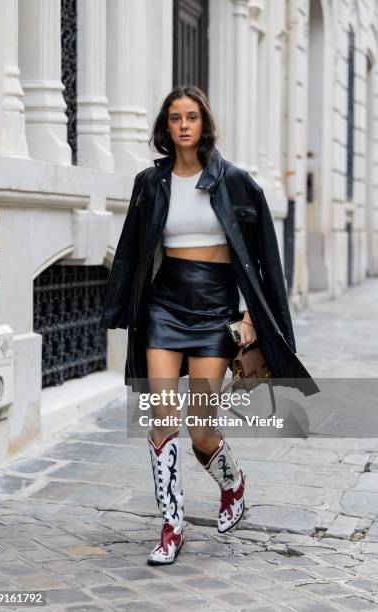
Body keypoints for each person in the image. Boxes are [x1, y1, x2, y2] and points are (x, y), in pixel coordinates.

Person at [100, 86, 319, 566]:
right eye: (175, 117)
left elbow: (263, 259)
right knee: (162, 418)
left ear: (204, 124)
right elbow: (134, 250)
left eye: (192, 117)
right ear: (166, 126)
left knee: (200, 429)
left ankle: (232, 483)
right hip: (164, 307)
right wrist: (122, 309)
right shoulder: (150, 183)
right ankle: (171, 525)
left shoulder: (236, 182)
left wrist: (250, 318)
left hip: (216, 312)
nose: (183, 125)